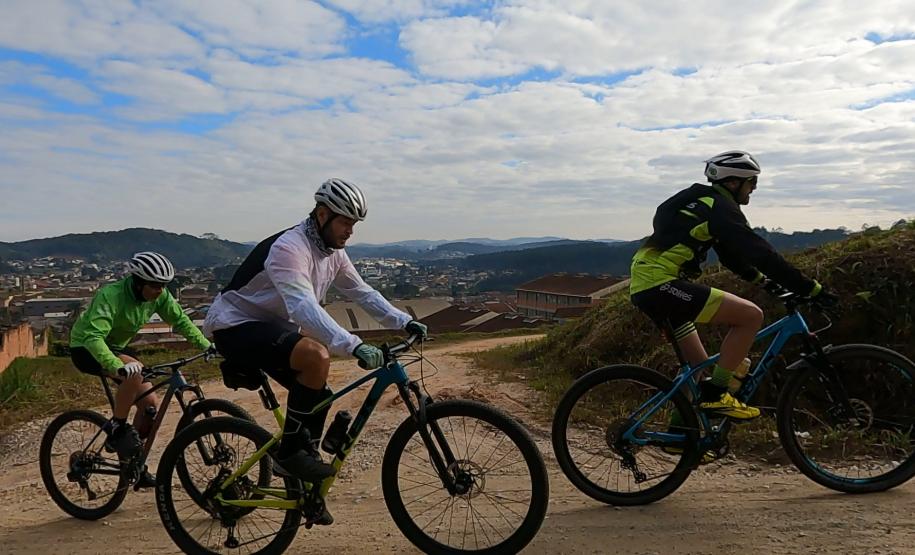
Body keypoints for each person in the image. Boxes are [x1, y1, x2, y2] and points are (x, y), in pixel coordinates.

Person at [203, 178, 428, 510]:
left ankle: (303, 468)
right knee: (315, 357)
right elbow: (303, 308)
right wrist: (353, 345)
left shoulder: (332, 252)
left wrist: (402, 320)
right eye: (346, 222)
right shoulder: (288, 248)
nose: (350, 231)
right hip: (234, 325)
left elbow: (362, 292)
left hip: (271, 328)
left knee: (318, 394)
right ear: (322, 215)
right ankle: (289, 455)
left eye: (354, 224)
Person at [629, 150, 837, 424]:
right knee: (751, 316)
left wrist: (764, 283)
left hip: (647, 283)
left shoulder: (702, 204)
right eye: (751, 183)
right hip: (661, 283)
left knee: (700, 371)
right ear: (733, 183)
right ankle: (716, 396)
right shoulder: (720, 208)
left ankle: (682, 438)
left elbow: (730, 256)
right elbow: (760, 253)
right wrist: (811, 288)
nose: (753, 189)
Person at [70, 251, 214, 488]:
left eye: (164, 285)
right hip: (86, 347)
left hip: (115, 347)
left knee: (149, 407)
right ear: (138, 282)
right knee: (133, 373)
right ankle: (117, 426)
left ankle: (133, 465)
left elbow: (180, 321)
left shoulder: (159, 296)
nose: (160, 290)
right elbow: (94, 337)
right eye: (155, 285)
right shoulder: (111, 296)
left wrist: (206, 345)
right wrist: (117, 366)